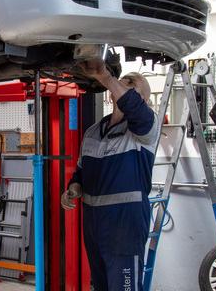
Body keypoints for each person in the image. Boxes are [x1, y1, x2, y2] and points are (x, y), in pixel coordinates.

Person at [61, 60, 160, 291]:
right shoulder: (93, 132)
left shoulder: (145, 128)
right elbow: (81, 171)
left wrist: (105, 76)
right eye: (121, 82)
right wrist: (74, 188)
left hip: (125, 226)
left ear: (143, 100)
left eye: (131, 85)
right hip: (95, 226)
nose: (122, 86)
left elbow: (134, 108)